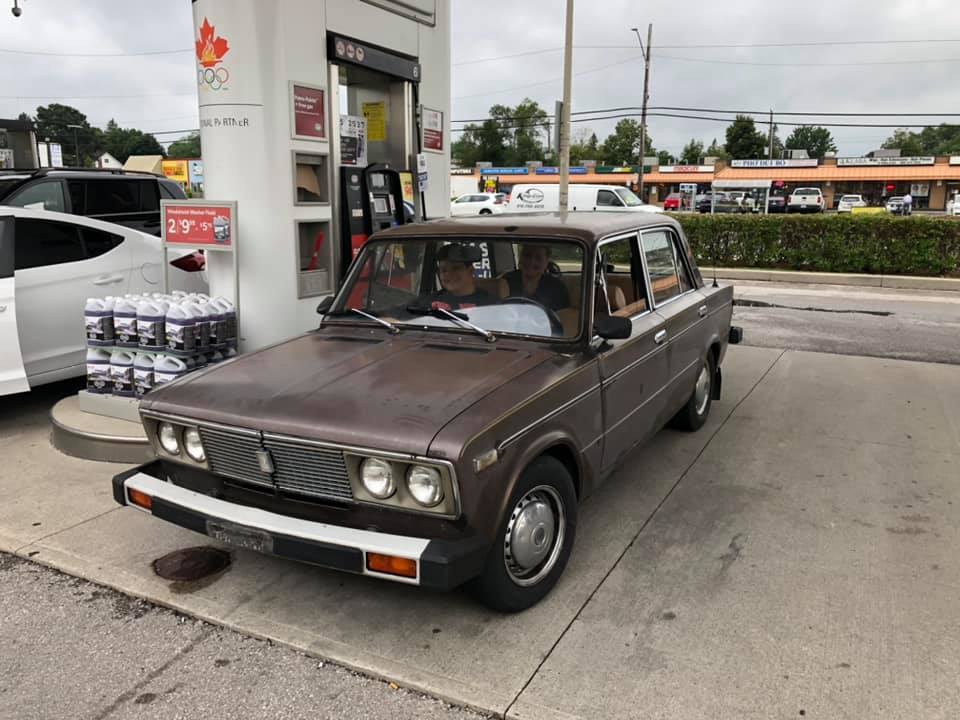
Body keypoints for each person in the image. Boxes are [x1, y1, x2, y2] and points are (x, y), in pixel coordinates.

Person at [498, 243, 571, 311]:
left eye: (538, 258)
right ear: (520, 258)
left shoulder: (557, 288)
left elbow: (562, 318)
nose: (532, 262)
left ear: (546, 263)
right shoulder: (506, 280)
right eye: (527, 255)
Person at [430, 243, 493, 310]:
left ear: (471, 270)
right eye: (443, 270)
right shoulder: (428, 302)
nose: (448, 274)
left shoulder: (491, 304)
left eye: (456, 268)